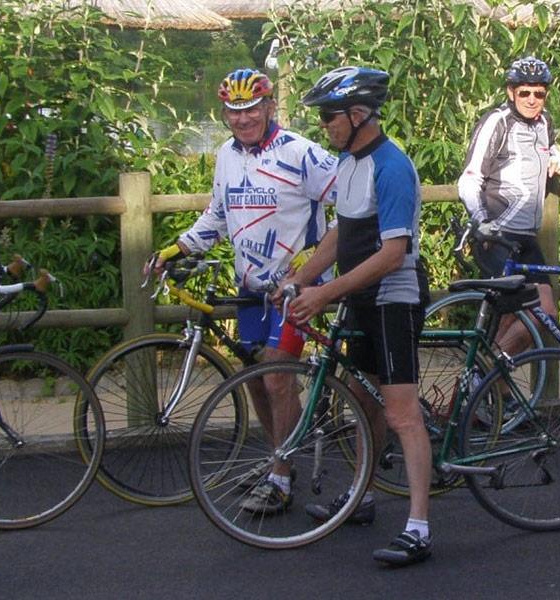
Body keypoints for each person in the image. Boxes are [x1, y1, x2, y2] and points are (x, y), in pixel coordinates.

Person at [145, 68, 339, 516]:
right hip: (251, 287)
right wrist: (176, 248)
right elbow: (216, 216)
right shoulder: (226, 156)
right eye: (234, 111)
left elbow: (350, 202)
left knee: (276, 375)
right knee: (253, 376)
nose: (242, 118)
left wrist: (308, 270)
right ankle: (278, 459)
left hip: (295, 289)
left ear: (271, 107)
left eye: (251, 109)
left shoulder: (301, 153)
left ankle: (281, 477)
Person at [278, 66, 435, 567]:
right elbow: (341, 238)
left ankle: (418, 525)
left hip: (393, 298)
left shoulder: (391, 167)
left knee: (401, 414)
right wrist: (304, 277)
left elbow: (393, 253)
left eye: (330, 116)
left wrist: (324, 296)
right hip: (360, 296)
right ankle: (362, 497)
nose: (325, 125)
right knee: (365, 406)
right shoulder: (347, 164)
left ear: (359, 113)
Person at [458, 56, 560, 355]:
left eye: (539, 93)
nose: (532, 99)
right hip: (498, 236)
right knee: (537, 314)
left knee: (516, 322)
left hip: (526, 238)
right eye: (525, 93)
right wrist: (481, 220)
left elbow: (548, 146)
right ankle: (487, 376)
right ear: (511, 92)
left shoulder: (545, 122)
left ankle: (492, 393)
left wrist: (558, 157)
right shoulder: (497, 122)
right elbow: (469, 179)